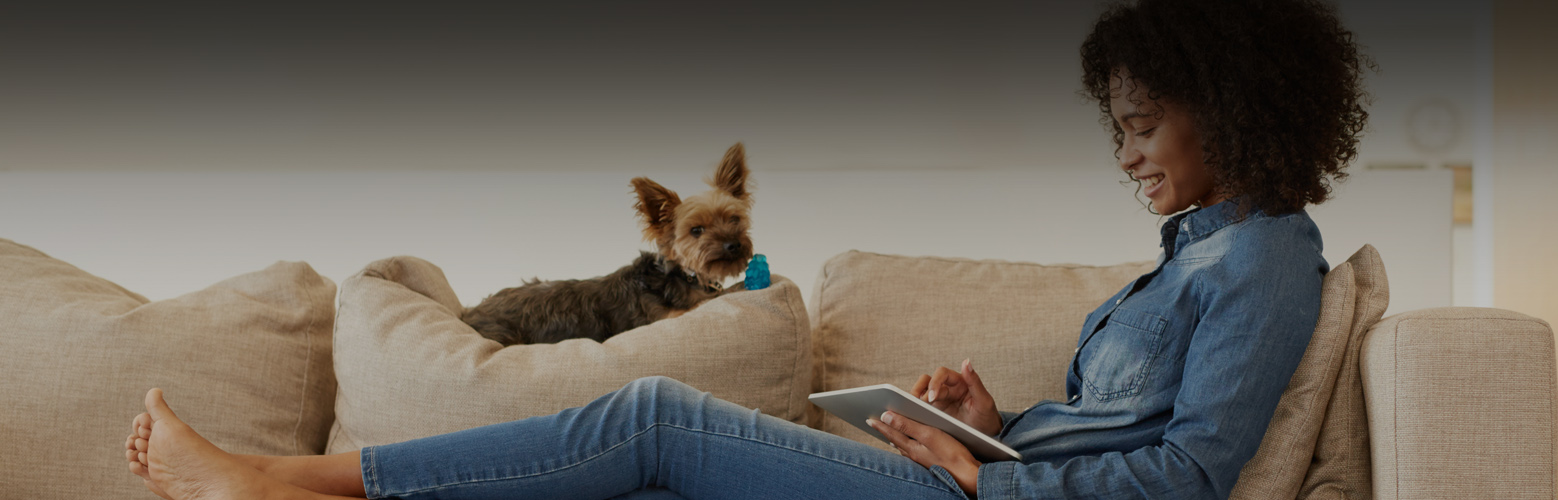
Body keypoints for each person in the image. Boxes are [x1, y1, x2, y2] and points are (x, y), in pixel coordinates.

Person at [121, 0, 1368, 498]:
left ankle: (273, 481)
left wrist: (993, 478)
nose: (1127, 154)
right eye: (1119, 129)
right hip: (986, 480)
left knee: (656, 413)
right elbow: (1120, 423)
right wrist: (1000, 418)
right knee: (653, 479)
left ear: (1238, 101)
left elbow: (1190, 476)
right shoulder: (1194, 247)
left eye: (1146, 125)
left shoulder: (1267, 257)